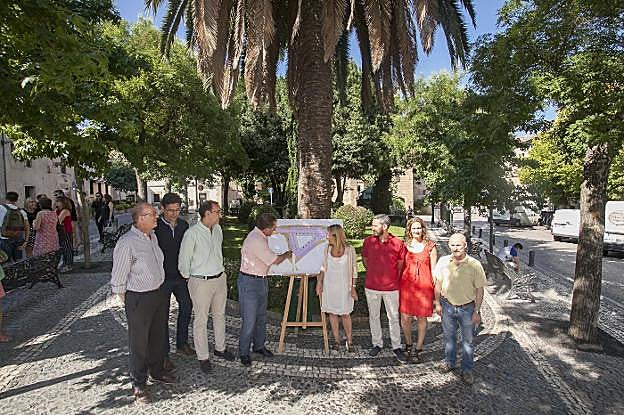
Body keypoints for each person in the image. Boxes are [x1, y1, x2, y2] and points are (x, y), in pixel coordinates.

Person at [110, 202, 176, 404]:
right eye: (152, 214)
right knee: (139, 343)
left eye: (155, 213)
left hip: (157, 293)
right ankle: (138, 383)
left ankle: (156, 371)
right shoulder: (127, 243)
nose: (156, 216)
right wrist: (129, 301)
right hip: (139, 297)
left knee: (157, 336)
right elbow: (118, 278)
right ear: (139, 219)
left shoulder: (152, 237)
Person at [179, 200, 235, 374]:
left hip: (219, 278)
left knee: (220, 315)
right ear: (207, 214)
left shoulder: (218, 229)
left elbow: (218, 252)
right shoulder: (192, 233)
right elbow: (183, 260)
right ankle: (203, 357)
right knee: (201, 320)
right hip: (200, 281)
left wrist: (222, 273)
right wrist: (189, 278)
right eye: (217, 211)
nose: (220, 214)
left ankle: (220, 348)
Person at [238, 213, 292, 367]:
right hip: (250, 282)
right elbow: (274, 260)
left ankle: (259, 346)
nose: (275, 230)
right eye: (273, 228)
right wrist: (286, 254)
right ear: (265, 228)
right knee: (250, 320)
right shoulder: (256, 240)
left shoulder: (261, 236)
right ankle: (243, 352)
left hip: (260, 280)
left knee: (261, 317)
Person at [433, 233, 487, 385]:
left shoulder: (475, 264)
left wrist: (477, 311)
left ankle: (467, 369)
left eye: (458, 245)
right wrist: (437, 303)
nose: (455, 248)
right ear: (449, 245)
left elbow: (480, 290)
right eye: (452, 245)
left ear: (465, 246)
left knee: (468, 341)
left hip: (467, 308)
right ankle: (449, 362)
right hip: (447, 306)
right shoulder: (443, 261)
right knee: (449, 338)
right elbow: (438, 284)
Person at [154, 193, 194, 372]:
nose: (174, 214)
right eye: (170, 210)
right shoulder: (155, 227)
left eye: (177, 210)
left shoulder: (184, 225)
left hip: (180, 277)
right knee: (162, 315)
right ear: (162, 209)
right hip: (162, 278)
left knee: (186, 306)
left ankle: (182, 343)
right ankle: (163, 354)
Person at [362, 214, 408, 364]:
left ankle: (396, 346)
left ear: (385, 226)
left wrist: (390, 277)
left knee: (393, 317)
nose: (372, 228)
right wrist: (374, 273)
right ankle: (377, 343)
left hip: (391, 287)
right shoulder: (368, 242)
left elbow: (400, 265)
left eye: (375, 225)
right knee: (373, 316)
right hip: (372, 286)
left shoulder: (398, 243)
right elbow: (365, 260)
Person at [315, 224, 358, 352]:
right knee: (332, 314)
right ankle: (336, 341)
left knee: (345, 314)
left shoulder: (350, 250)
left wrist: (353, 287)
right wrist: (319, 283)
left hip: (345, 288)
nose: (327, 237)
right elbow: (323, 267)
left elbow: (354, 270)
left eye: (328, 234)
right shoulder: (327, 249)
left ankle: (349, 341)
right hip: (329, 287)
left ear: (335, 235)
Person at [400, 218, 437, 363]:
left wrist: (436, 292)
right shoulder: (404, 246)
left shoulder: (430, 246)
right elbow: (399, 266)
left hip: (424, 286)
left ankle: (418, 348)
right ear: (409, 230)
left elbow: (434, 270)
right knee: (405, 317)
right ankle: (408, 343)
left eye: (419, 228)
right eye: (414, 228)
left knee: (422, 318)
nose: (417, 230)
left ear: (423, 229)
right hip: (407, 286)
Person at [0, 191, 29, 262]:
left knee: (5, 261)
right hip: (18, 238)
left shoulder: (1, 208)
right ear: (16, 200)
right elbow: (27, 227)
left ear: (6, 199)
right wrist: (26, 241)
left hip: (4, 239)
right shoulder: (21, 211)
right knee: (18, 262)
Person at [55, 196, 73, 272]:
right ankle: (65, 263)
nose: (56, 203)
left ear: (63, 202)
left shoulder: (65, 211)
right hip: (61, 231)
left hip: (66, 231)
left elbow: (58, 221)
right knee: (63, 248)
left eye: (58, 201)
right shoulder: (58, 210)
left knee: (67, 248)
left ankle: (69, 264)